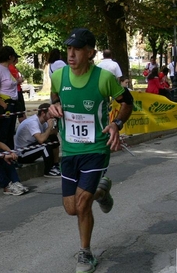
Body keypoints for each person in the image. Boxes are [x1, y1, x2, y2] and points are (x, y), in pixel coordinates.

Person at [48, 28, 133, 273]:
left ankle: (85, 253)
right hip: (70, 150)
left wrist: (116, 123)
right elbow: (54, 96)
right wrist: (54, 106)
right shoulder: (59, 76)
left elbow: (127, 102)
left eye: (77, 49)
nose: (71, 54)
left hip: (96, 148)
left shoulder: (103, 79)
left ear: (90, 52)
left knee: (82, 203)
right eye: (68, 49)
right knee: (71, 208)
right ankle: (102, 191)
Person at [14, 103, 61, 178]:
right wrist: (49, 128)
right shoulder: (33, 122)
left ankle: (55, 165)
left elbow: (52, 134)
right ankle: (48, 170)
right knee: (44, 145)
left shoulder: (43, 122)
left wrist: (56, 123)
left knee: (53, 139)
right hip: (22, 153)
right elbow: (41, 139)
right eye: (50, 114)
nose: (52, 116)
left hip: (31, 148)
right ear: (43, 113)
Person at [0, 46, 19, 150]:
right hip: (5, 105)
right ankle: (0, 158)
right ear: (10, 57)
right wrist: (4, 105)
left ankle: (10, 157)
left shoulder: (7, 69)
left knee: (10, 133)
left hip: (12, 104)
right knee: (3, 134)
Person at [8, 53, 27, 122]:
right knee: (20, 111)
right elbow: (15, 80)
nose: (18, 59)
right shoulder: (10, 68)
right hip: (16, 91)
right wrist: (19, 80)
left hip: (19, 90)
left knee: (22, 110)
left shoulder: (15, 68)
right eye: (17, 58)